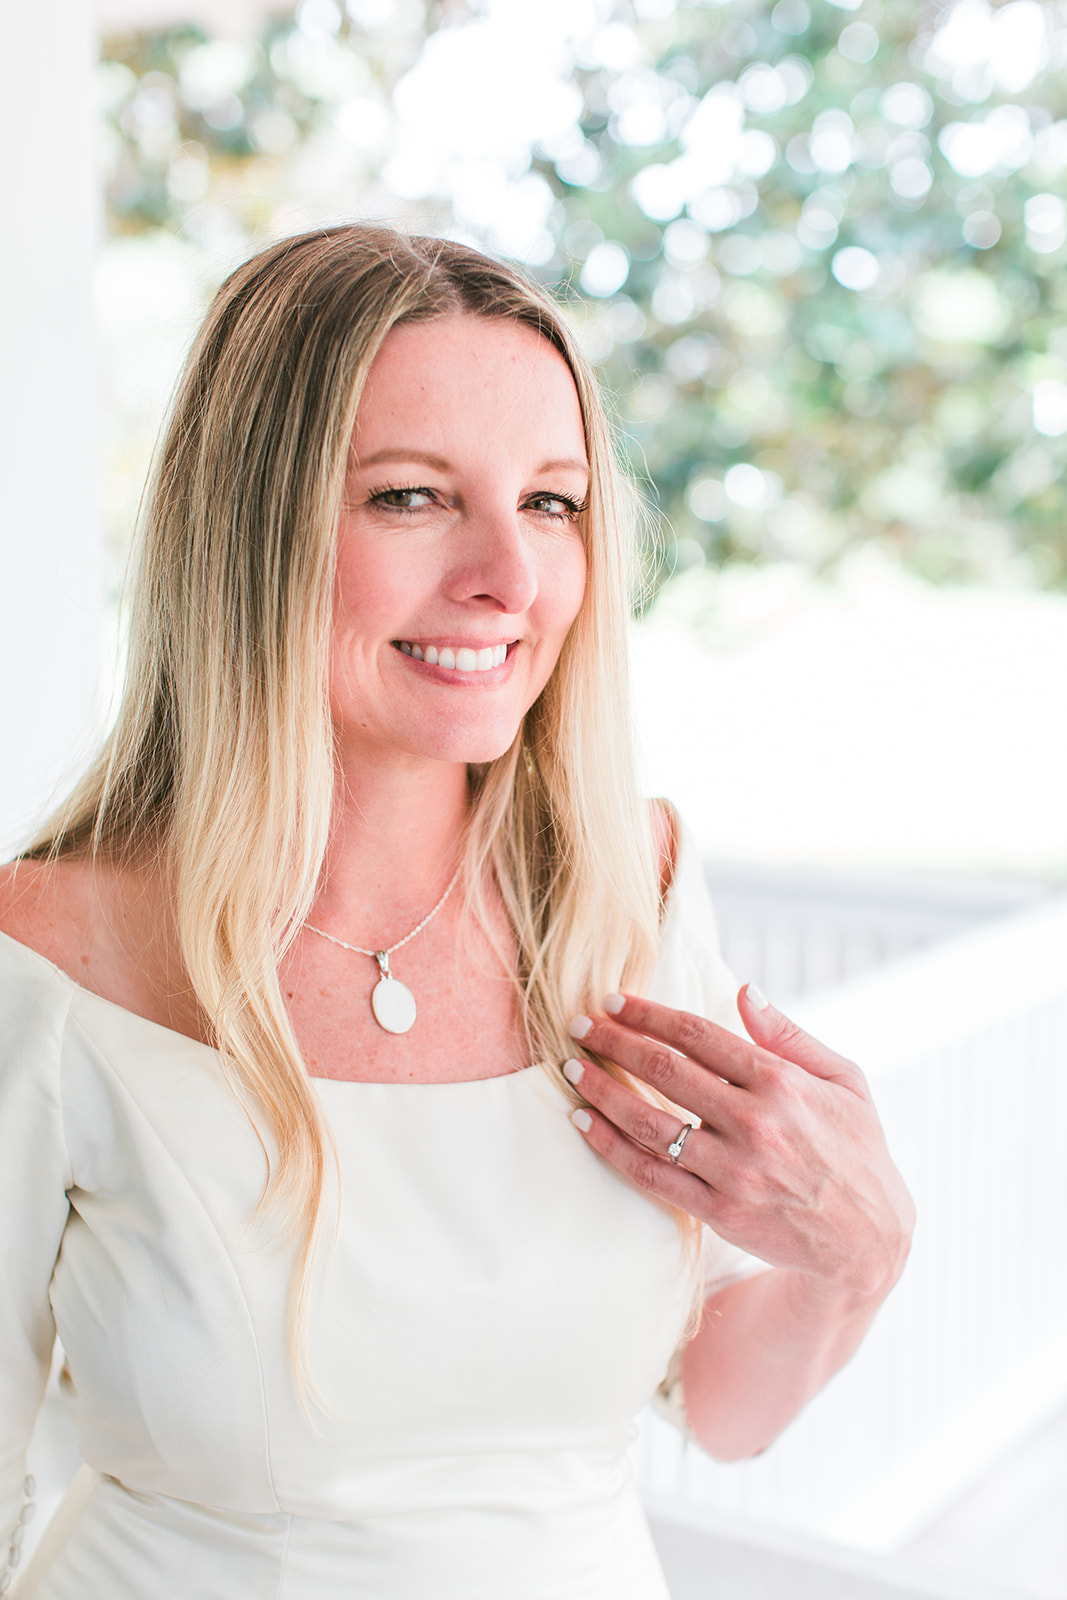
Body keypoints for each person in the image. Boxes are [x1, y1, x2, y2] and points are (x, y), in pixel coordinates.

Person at [0, 225, 913, 1600]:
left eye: (553, 503)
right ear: (252, 530)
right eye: (413, 497)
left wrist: (860, 1248)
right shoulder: (53, 958)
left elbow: (727, 1408)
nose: (512, 578)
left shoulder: (631, 891)